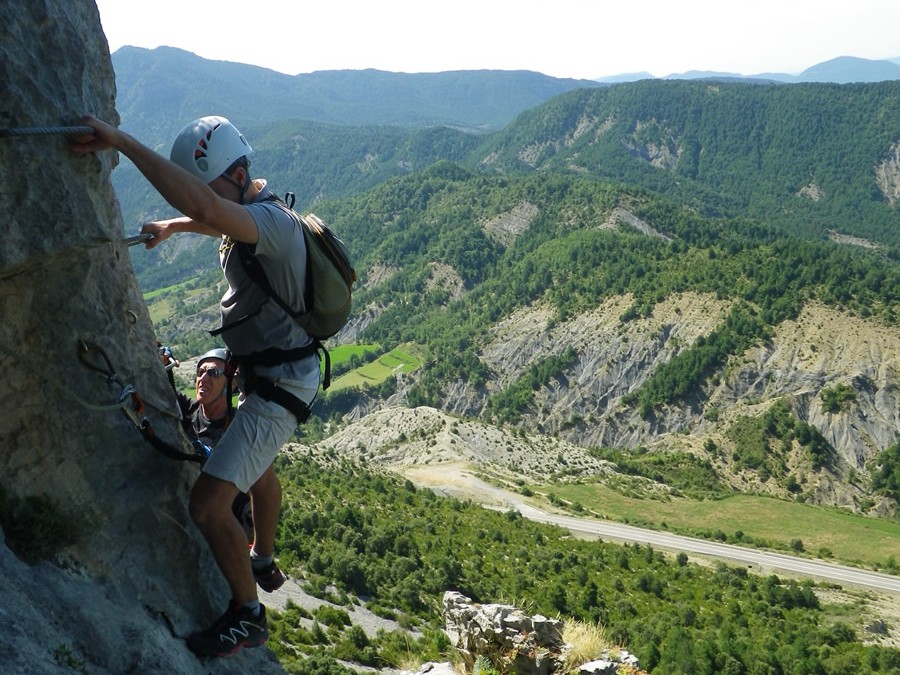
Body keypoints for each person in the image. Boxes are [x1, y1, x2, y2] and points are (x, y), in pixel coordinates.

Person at [71, 115, 321, 658]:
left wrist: (121, 142)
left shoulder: (273, 224)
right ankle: (260, 554)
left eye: (204, 185)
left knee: (208, 505)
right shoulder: (255, 212)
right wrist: (173, 226)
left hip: (280, 387)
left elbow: (213, 211)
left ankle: (248, 614)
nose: (204, 199)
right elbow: (216, 218)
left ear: (233, 174)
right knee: (254, 467)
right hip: (272, 375)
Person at [177, 347, 253, 541]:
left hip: (222, 524)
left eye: (213, 373)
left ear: (232, 383)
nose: (203, 378)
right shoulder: (187, 410)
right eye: (200, 373)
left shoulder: (239, 430)